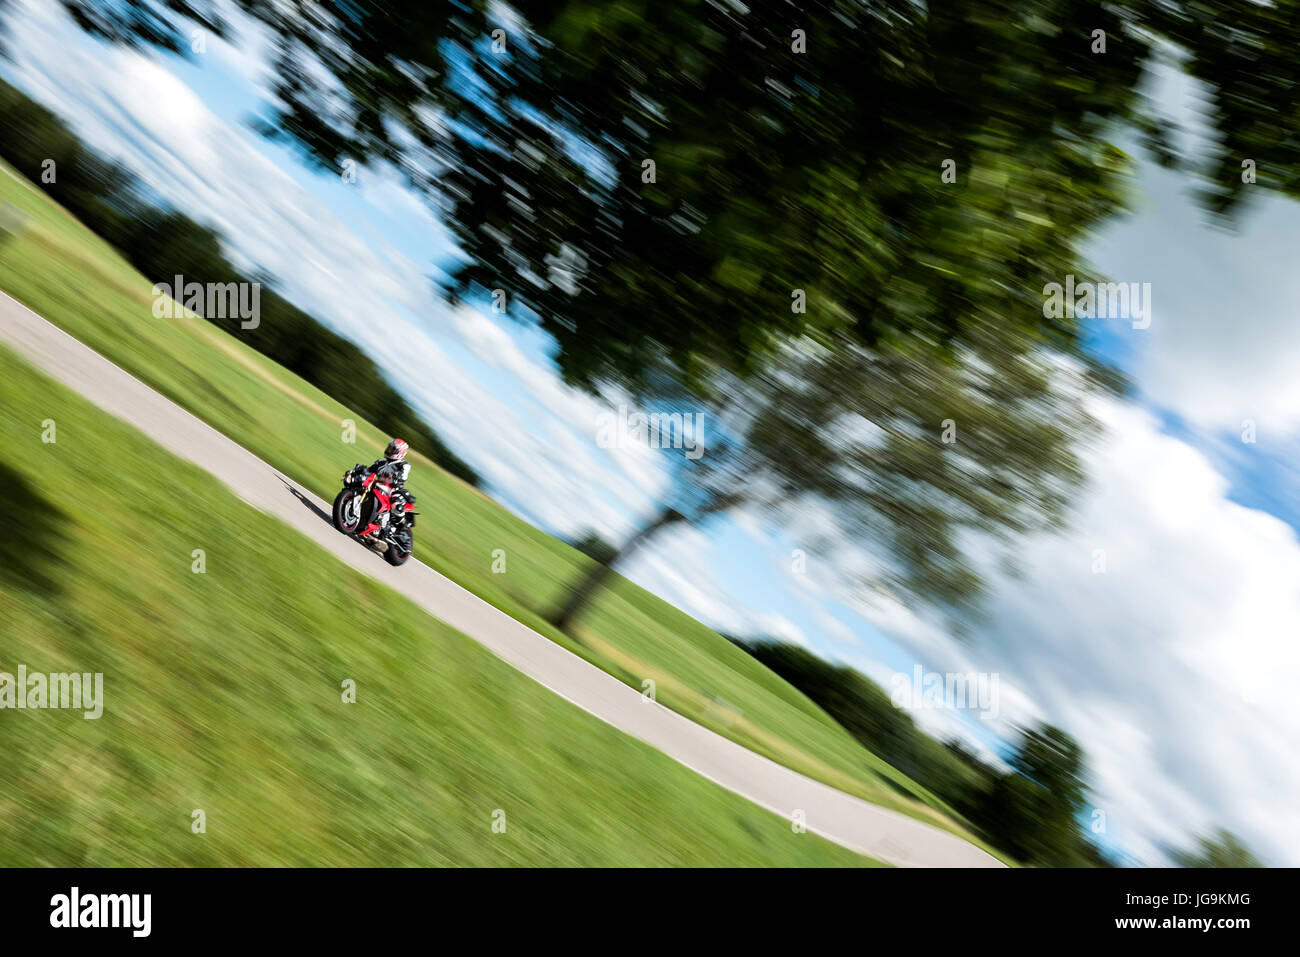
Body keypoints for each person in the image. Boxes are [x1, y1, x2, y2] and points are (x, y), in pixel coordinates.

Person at [361, 438, 411, 533]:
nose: (389, 450)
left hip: (393, 489)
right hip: (377, 486)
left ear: (400, 452)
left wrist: (397, 476)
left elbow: (403, 476)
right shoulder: (381, 462)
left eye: (393, 449)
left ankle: (402, 525)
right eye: (389, 448)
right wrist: (362, 470)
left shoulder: (403, 465)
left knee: (396, 504)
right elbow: (369, 470)